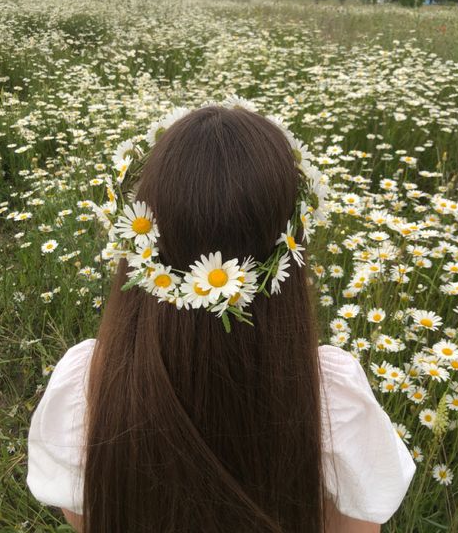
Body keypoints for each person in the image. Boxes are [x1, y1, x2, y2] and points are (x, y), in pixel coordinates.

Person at [27, 104, 416, 532]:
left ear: (137, 245)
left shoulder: (90, 385)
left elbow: (85, 519)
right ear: (291, 245)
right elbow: (358, 527)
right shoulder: (328, 396)